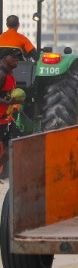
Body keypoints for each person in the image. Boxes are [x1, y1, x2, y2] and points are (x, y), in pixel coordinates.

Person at [0, 47, 25, 179]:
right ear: (4, 58)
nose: (17, 59)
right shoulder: (1, 74)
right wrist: (8, 102)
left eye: (18, 57)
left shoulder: (11, 75)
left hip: (6, 119)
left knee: (15, 143)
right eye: (14, 57)